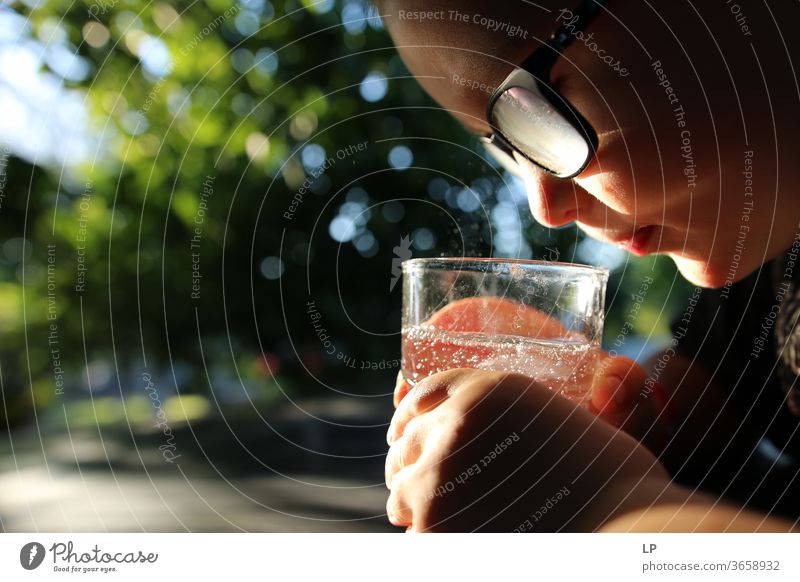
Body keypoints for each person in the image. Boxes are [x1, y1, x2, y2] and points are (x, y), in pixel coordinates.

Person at [378, 0, 800, 531]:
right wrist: (623, 427)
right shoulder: (762, 268)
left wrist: (610, 505)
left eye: (537, 113)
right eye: (507, 149)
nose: (546, 208)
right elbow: (711, 410)